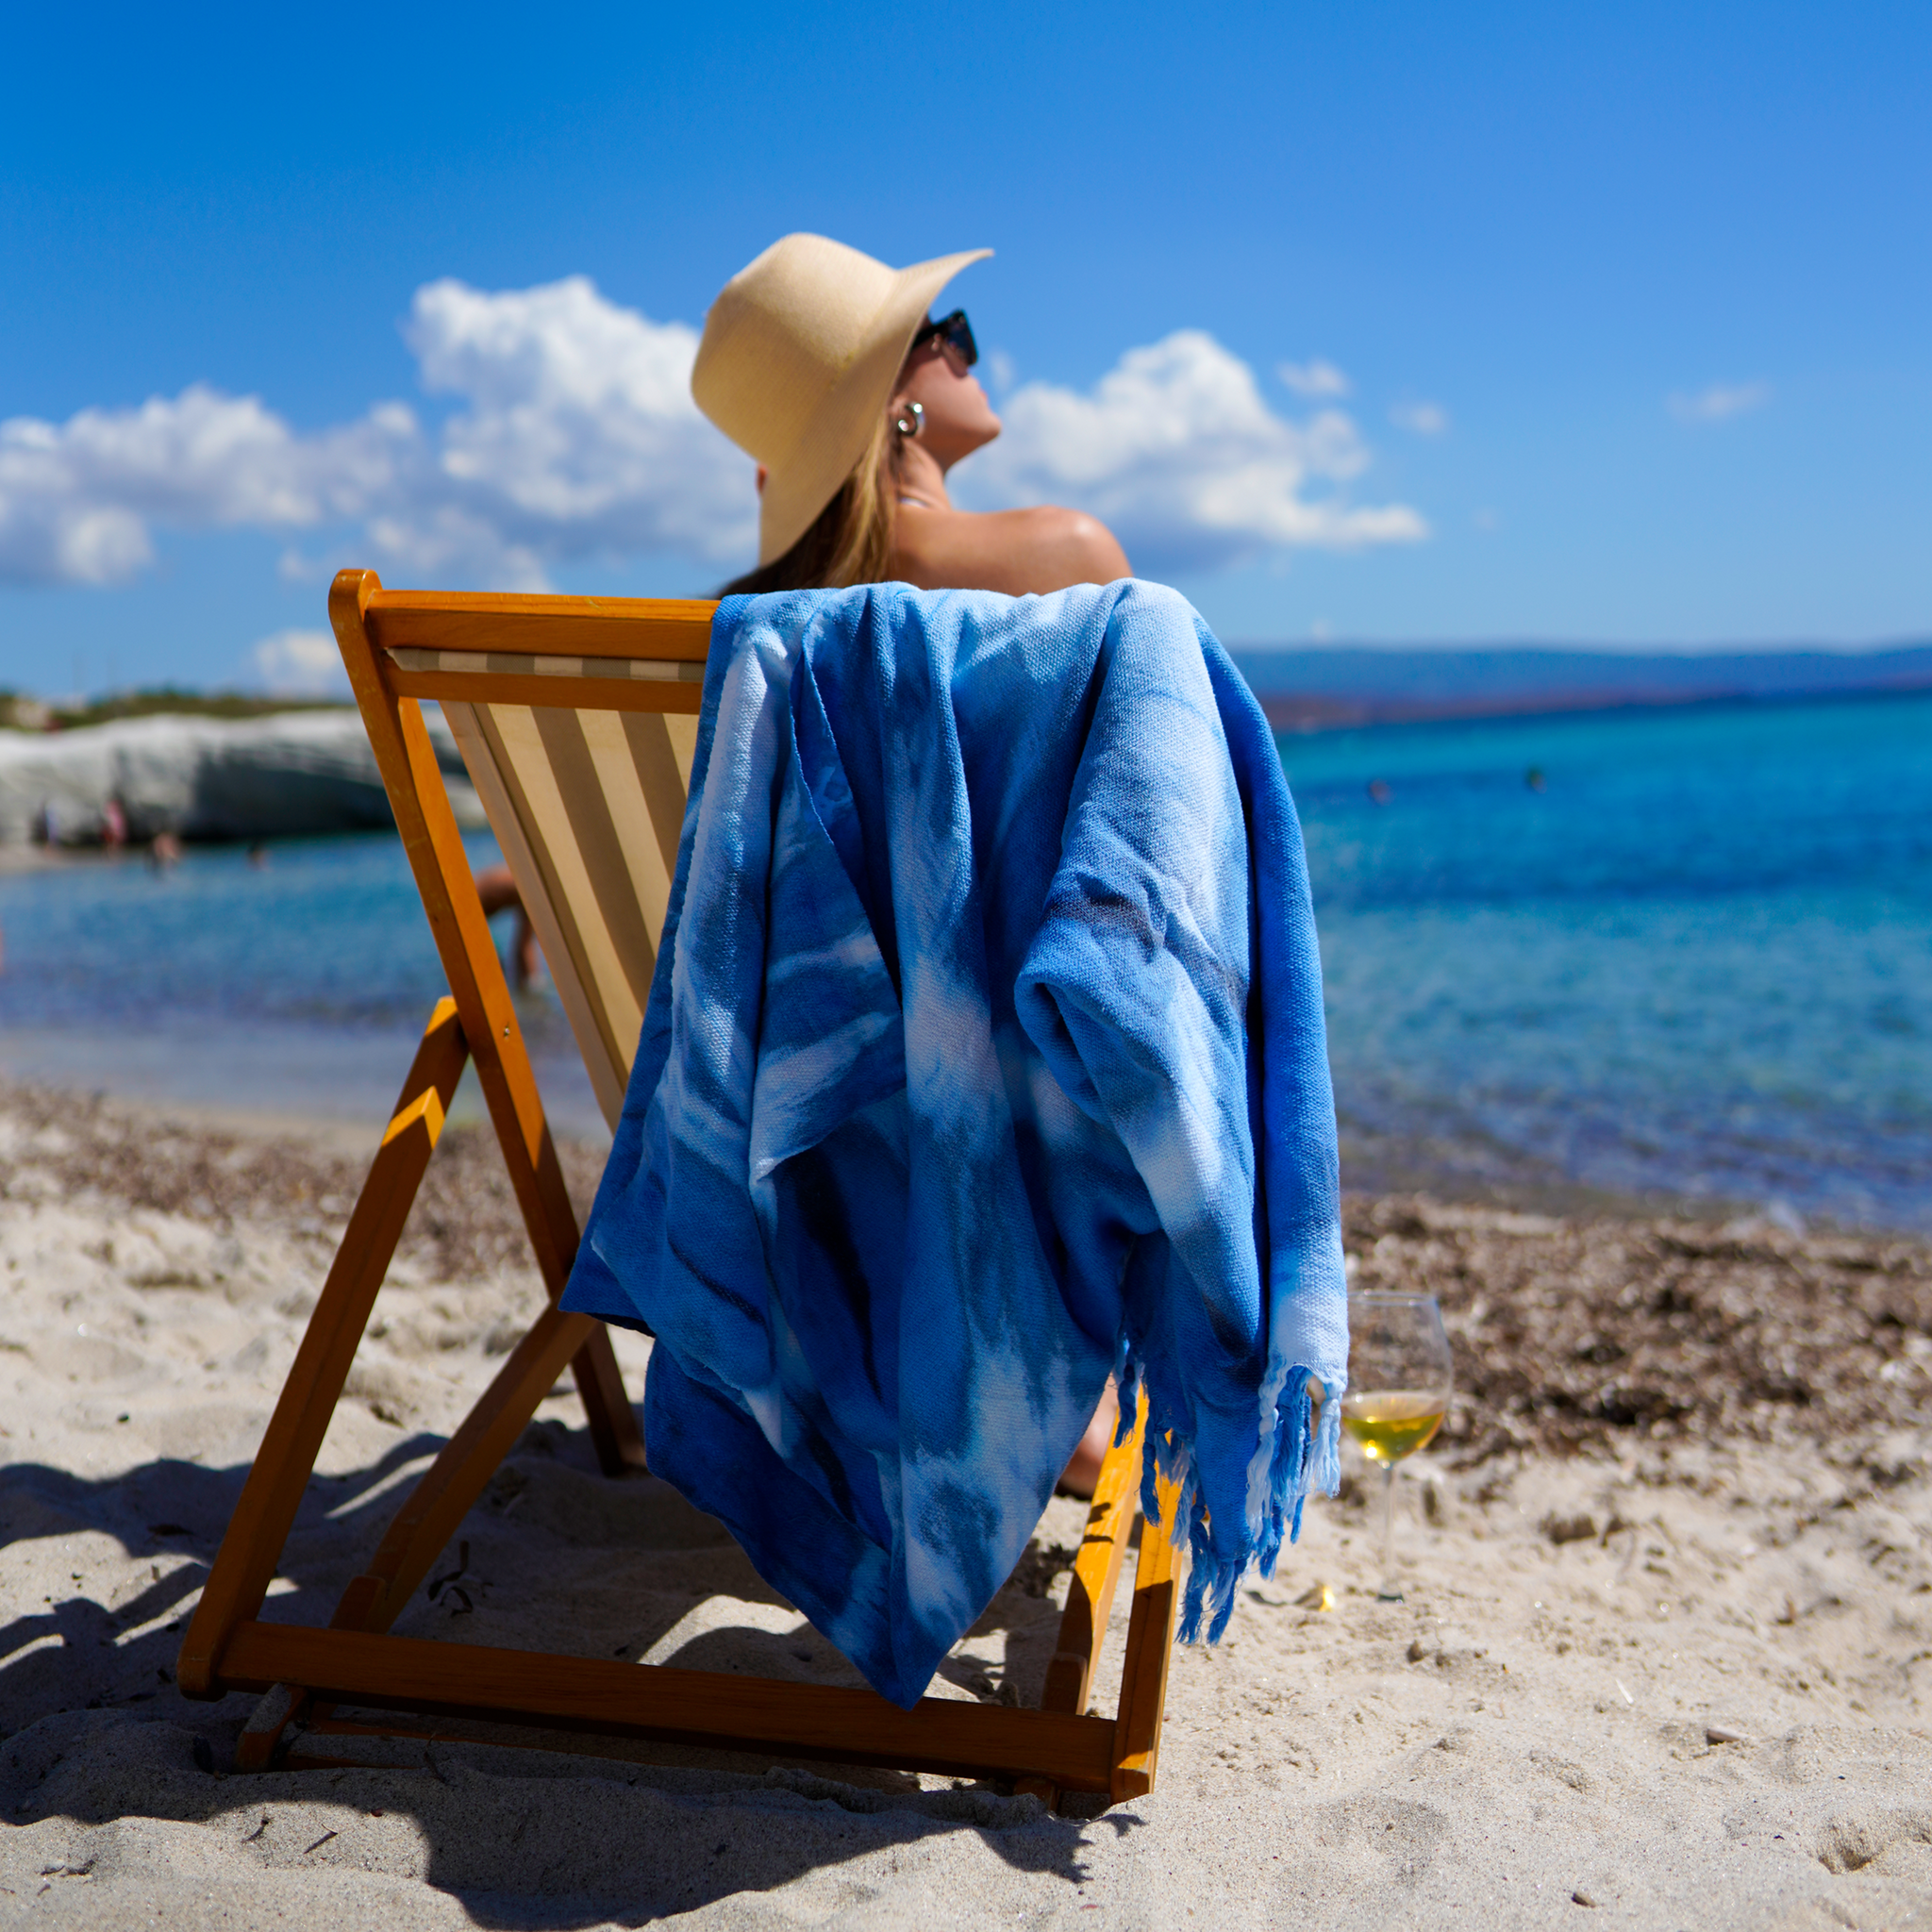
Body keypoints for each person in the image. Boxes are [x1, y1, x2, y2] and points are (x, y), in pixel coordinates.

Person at [691, 233, 1129, 1491]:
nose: (971, 354)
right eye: (951, 335)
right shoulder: (1065, 561)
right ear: (899, 401)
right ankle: (1057, 1368)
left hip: (790, 1120)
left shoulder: (745, 648)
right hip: (1008, 1109)